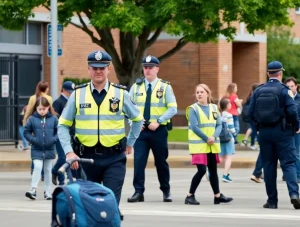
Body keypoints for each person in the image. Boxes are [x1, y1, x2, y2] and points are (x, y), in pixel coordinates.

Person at [58, 50, 143, 204]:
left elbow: (138, 119)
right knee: (89, 206)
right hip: (86, 159)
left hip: (114, 158)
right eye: (95, 67)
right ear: (89, 69)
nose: (98, 71)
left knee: (111, 204)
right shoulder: (77, 94)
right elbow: (62, 125)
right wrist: (69, 151)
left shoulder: (120, 93)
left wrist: (130, 143)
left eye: (102, 68)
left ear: (109, 69)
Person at [249, 61, 300, 209]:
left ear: (268, 74)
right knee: (288, 163)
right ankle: (294, 195)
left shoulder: (259, 90)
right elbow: (292, 111)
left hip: (264, 133)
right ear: (281, 73)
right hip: (283, 132)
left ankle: (272, 201)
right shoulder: (284, 90)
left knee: (269, 165)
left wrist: (259, 126)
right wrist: (295, 126)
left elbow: (250, 113)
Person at [127, 55, 177, 203]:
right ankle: (138, 191)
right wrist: (133, 122)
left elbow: (173, 108)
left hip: (158, 130)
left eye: (150, 67)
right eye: (145, 67)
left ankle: (166, 191)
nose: (147, 70)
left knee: (161, 161)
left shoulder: (165, 87)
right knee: (139, 161)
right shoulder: (136, 87)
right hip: (141, 131)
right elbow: (127, 108)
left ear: (157, 69)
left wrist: (159, 121)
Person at [184, 84, 233, 205]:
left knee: (213, 170)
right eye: (197, 92)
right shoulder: (193, 109)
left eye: (202, 92)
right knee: (201, 170)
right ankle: (190, 196)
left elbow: (219, 124)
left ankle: (217, 196)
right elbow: (194, 127)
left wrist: (214, 136)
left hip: (212, 143)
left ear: (207, 93)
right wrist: (207, 138)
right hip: (200, 144)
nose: (199, 94)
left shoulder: (214, 108)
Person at [23, 96, 58, 200]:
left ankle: (48, 192)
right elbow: (26, 132)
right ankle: (33, 190)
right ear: (36, 109)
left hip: (50, 148)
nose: (42, 111)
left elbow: (59, 132)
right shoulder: (32, 119)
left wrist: (53, 139)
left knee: (48, 170)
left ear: (48, 107)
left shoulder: (54, 118)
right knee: (37, 167)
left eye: (44, 109)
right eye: (39, 109)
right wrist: (33, 140)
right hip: (36, 148)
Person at [51, 81, 76, 186]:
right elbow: (56, 119)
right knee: (62, 157)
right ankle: (55, 171)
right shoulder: (58, 102)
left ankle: (65, 180)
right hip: (61, 134)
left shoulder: (73, 101)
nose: (71, 94)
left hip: (72, 134)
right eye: (69, 92)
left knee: (71, 158)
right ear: (64, 91)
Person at [284, 77, 300, 183]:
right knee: (286, 153)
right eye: (288, 86)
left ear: (296, 86)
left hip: (297, 130)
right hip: (285, 129)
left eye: (292, 86)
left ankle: (298, 174)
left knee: (296, 153)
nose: (290, 88)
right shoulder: (283, 97)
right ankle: (287, 174)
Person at [219, 98, 236, 183]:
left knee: (221, 156)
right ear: (227, 105)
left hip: (221, 137)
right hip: (228, 137)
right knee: (229, 156)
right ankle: (225, 175)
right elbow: (231, 127)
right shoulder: (229, 115)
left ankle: (209, 169)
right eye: (229, 103)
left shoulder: (220, 115)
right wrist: (234, 133)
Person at [242, 83, 260, 150]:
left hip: (251, 116)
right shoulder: (254, 97)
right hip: (253, 117)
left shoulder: (250, 96)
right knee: (255, 130)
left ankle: (254, 143)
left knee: (254, 130)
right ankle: (253, 144)